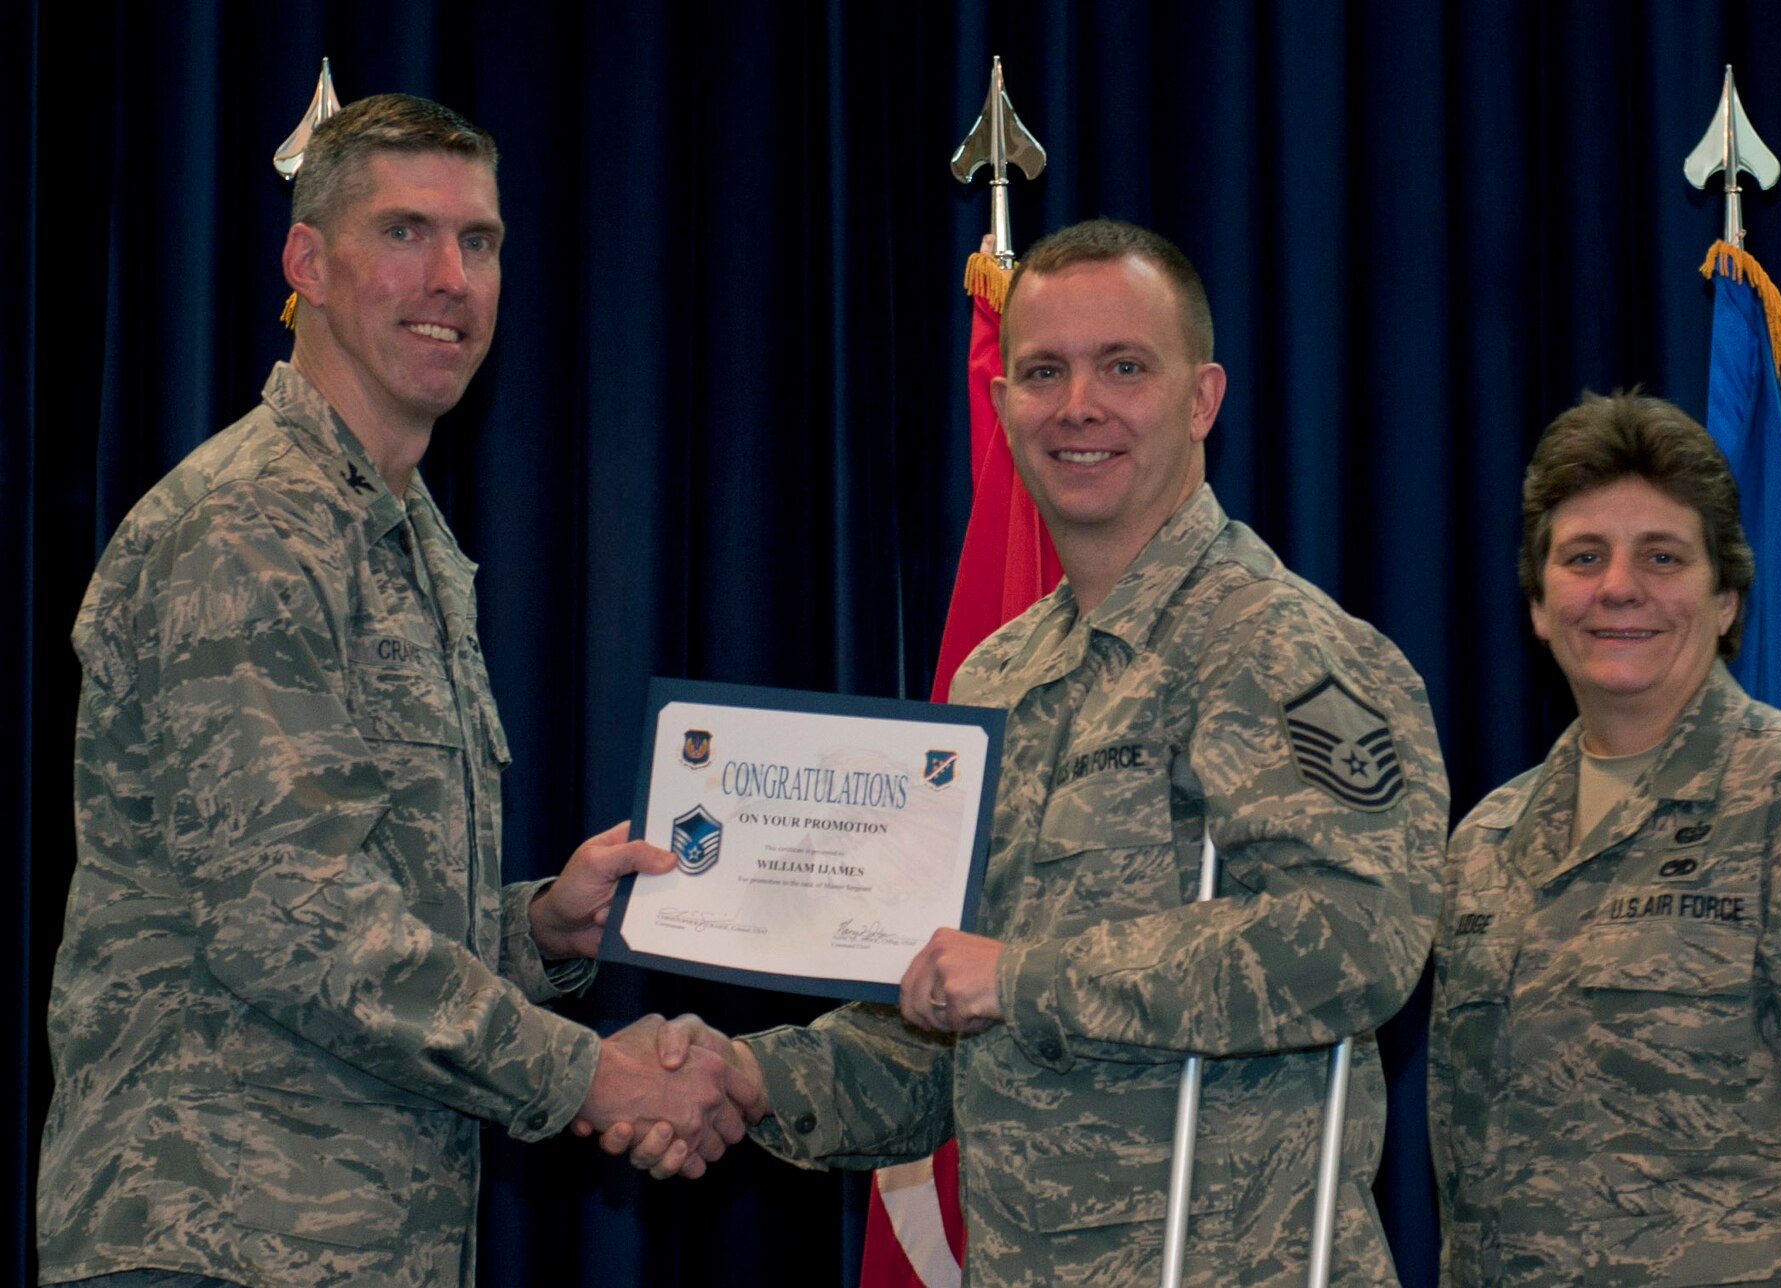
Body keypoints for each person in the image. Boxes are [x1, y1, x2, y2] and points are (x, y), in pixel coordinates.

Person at [608, 219, 1448, 1285]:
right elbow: (941, 1021)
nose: (1077, 405)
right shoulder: (994, 677)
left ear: (1201, 398)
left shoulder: (1290, 652)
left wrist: (1030, 977)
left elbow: (1359, 939)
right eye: (1042, 371)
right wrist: (745, 1076)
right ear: (1003, 405)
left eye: (1123, 367)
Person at [39, 93, 748, 1288]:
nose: (450, 278)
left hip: (361, 1242)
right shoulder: (248, 528)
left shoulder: (401, 534)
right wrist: (586, 1073)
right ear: (307, 261)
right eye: (405, 233)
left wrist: (535, 928)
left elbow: (364, 902)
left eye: (479, 242)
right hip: (213, 1234)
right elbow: (293, 916)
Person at [1428, 391, 1781, 1285]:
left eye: (1662, 556)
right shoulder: (1485, 845)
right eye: (1583, 557)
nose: (1619, 586)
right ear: (1539, 604)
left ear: (1726, 599)